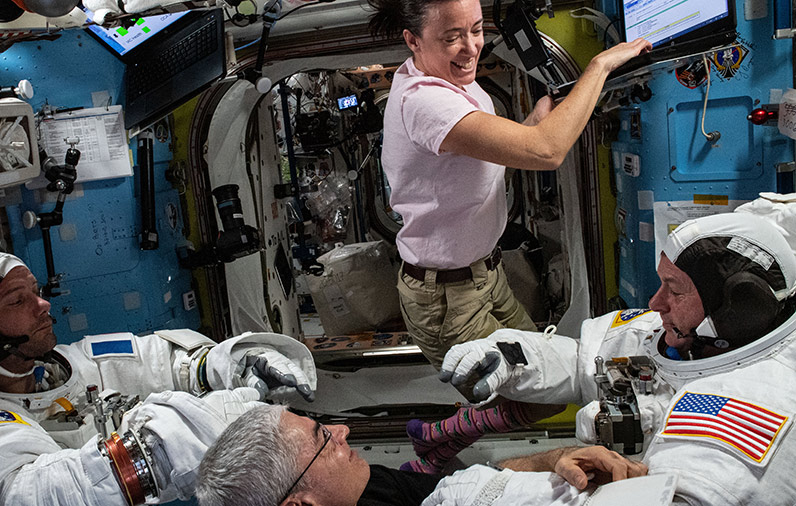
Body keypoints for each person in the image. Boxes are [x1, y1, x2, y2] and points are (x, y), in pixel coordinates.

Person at [366, 0, 651, 474]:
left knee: (550, 382)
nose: (470, 47)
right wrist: (599, 66)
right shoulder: (424, 100)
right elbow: (549, 152)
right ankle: (437, 445)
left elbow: (475, 156)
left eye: (476, 29)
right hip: (446, 298)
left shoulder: (449, 79)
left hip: (484, 277)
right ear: (413, 40)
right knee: (548, 395)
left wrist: (527, 128)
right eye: (451, 36)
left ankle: (436, 439)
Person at [431, 208, 796, 505]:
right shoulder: (683, 335)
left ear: (736, 308)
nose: (655, 304)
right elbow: (581, 362)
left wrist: (488, 492)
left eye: (673, 290)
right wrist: (509, 355)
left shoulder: (757, 404)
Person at [0, 251, 317, 505]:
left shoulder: (59, 368)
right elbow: (34, 497)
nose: (43, 304)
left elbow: (150, 359)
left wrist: (228, 363)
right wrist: (169, 443)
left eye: (36, 290)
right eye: (18, 300)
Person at [194, 404, 648, 506]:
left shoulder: (365, 489)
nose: (343, 430)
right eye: (322, 439)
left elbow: (491, 474)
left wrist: (558, 459)